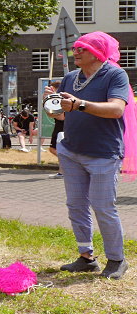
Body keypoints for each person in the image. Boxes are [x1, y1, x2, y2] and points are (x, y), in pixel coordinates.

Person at [45, 31, 135, 280]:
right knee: (76, 205)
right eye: (75, 47)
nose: (76, 51)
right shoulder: (71, 77)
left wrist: (79, 103)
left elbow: (116, 109)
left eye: (81, 48)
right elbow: (64, 115)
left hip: (103, 153)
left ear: (96, 52)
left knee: (103, 207)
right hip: (72, 151)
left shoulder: (115, 74)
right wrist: (52, 108)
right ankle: (86, 257)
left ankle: (117, 259)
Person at [47, 80, 65, 179]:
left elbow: (61, 117)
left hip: (61, 127)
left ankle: (67, 165)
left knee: (55, 149)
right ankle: (62, 171)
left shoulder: (61, 99)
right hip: (59, 126)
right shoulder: (57, 99)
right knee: (57, 149)